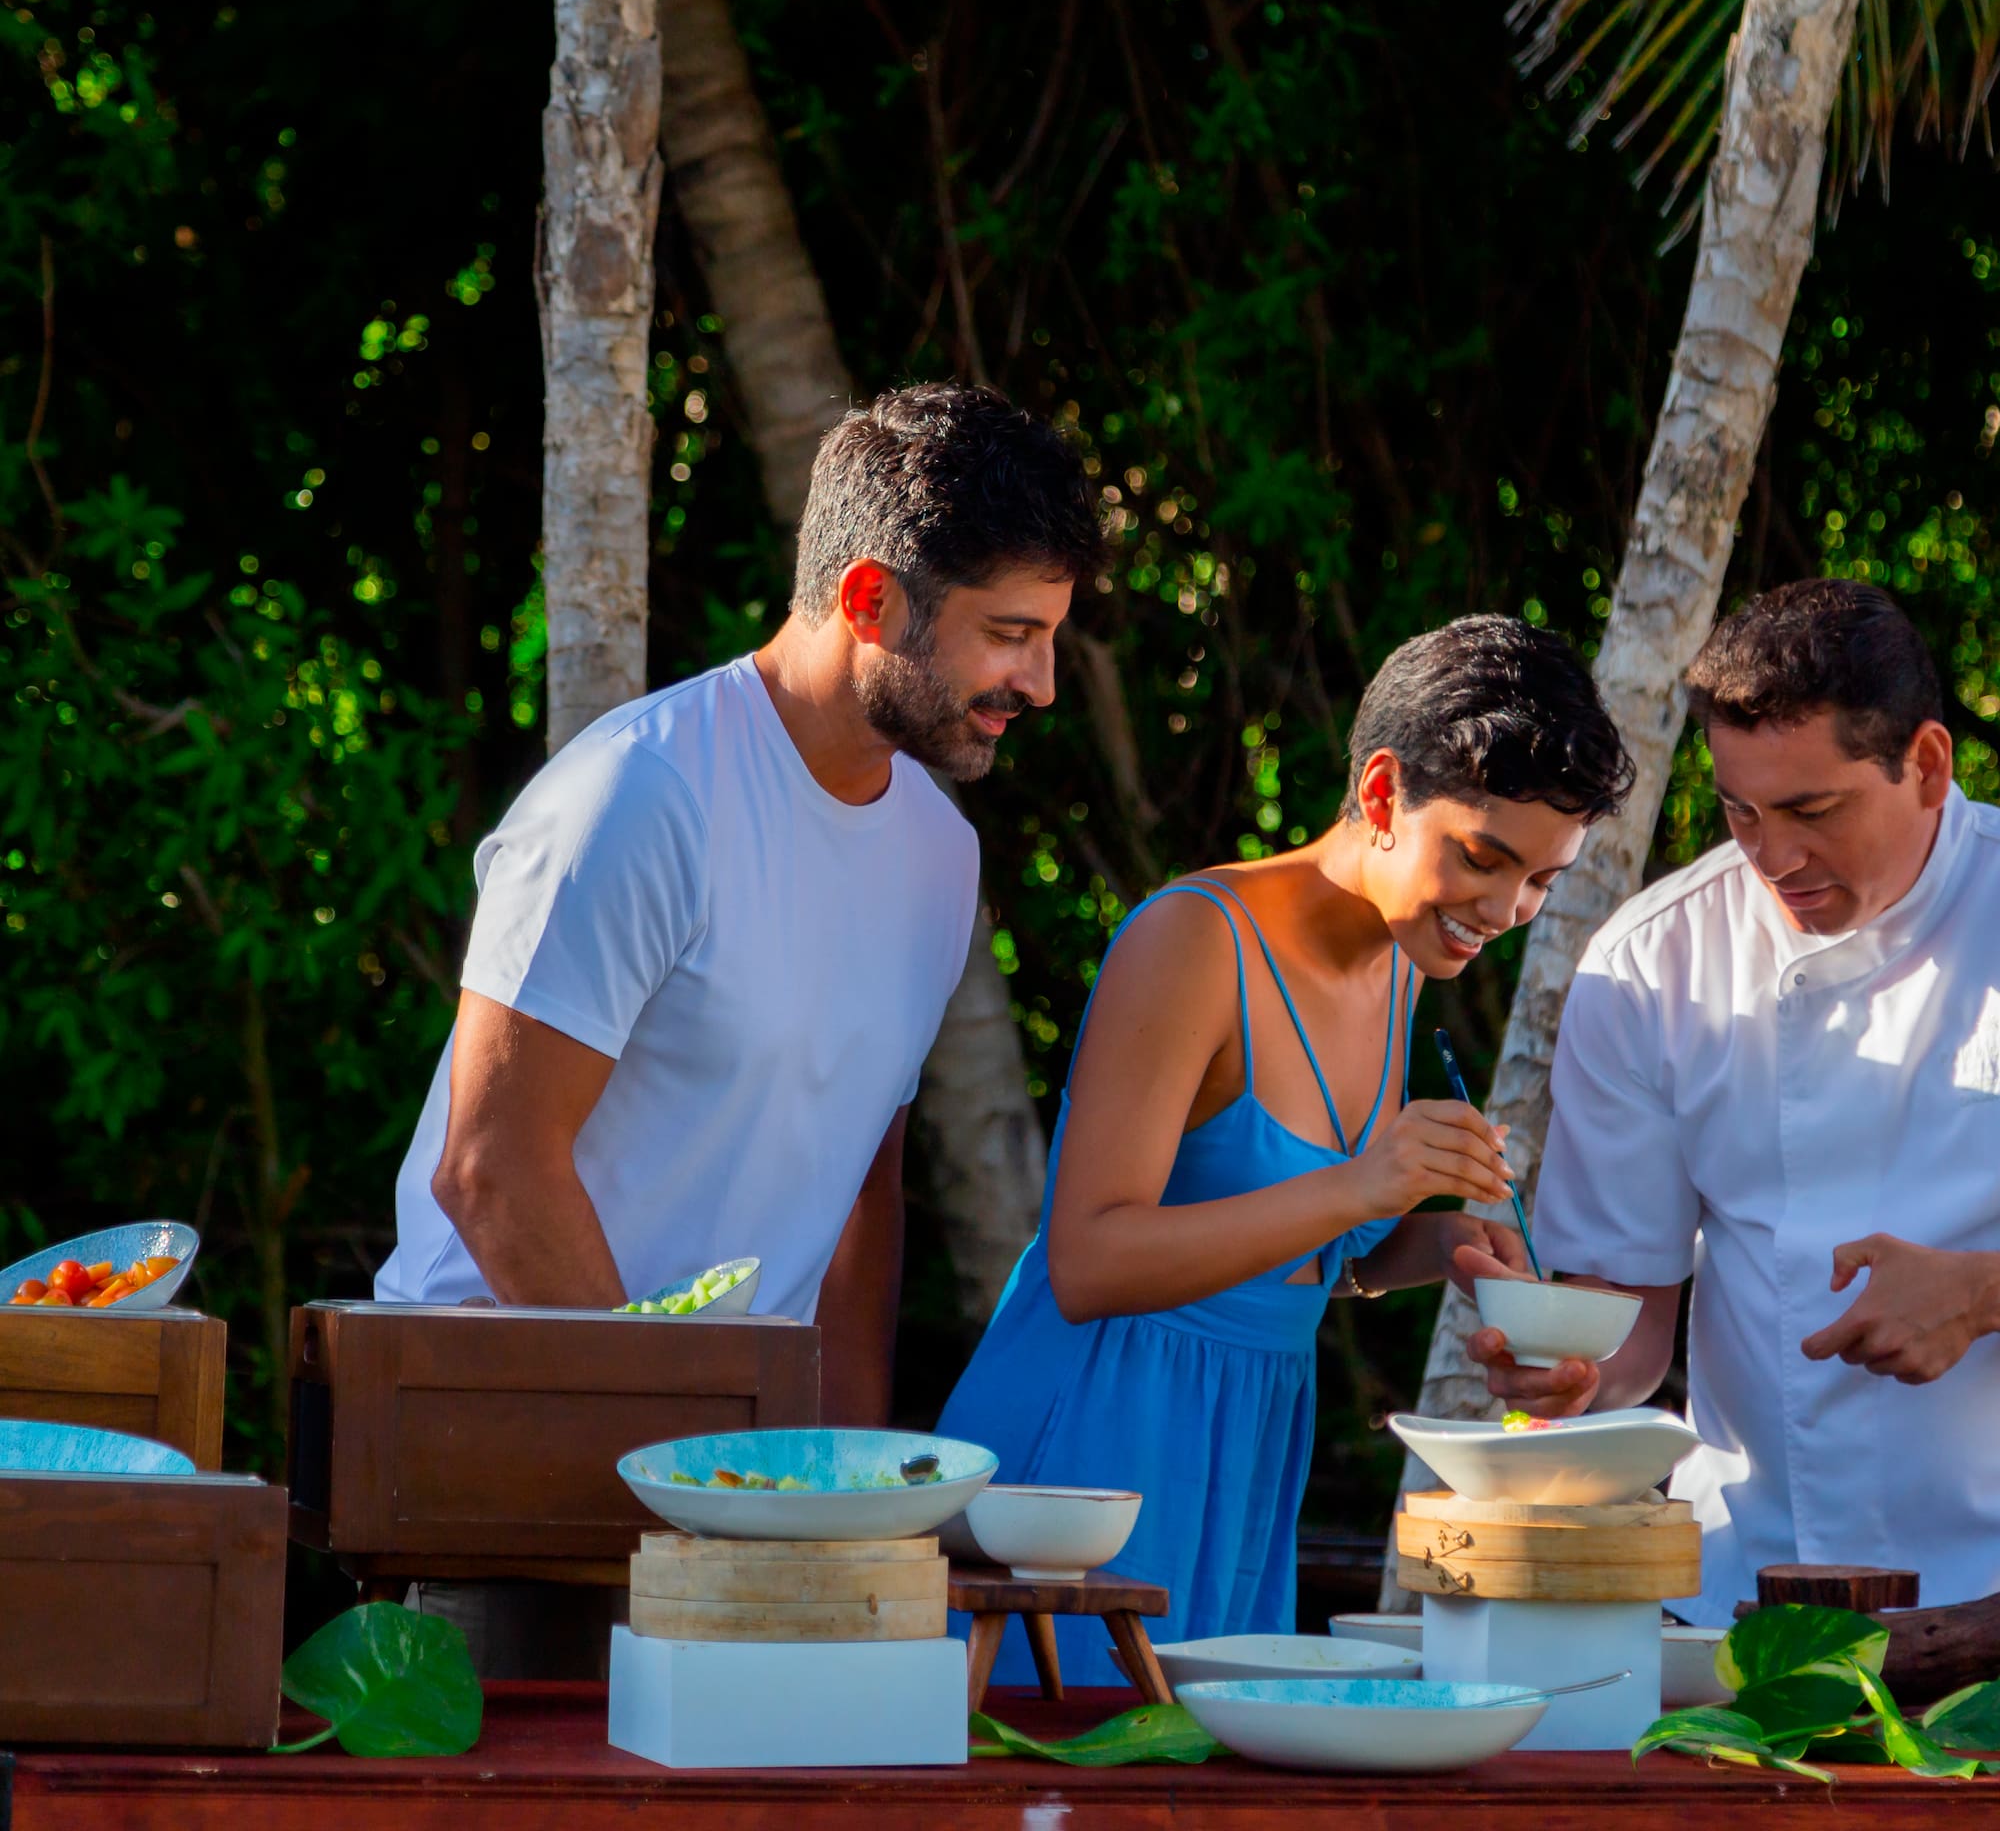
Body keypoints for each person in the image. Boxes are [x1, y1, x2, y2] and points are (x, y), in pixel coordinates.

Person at [372, 382, 1104, 1672]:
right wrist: (684, 1464)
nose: (1038, 682)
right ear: (870, 599)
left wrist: (846, 1501)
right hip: (504, 1464)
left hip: (744, 1488)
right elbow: (490, 1168)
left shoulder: (939, 854)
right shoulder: (637, 795)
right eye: (1007, 633)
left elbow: (856, 1194)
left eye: (1048, 636)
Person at [937, 615, 1636, 1686]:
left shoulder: (1405, 957)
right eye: (1482, 856)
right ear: (1378, 792)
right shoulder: (1192, 941)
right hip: (1090, 1453)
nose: (1504, 909)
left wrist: (1444, 1241)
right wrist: (1366, 1179)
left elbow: (1312, 1258)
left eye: (1540, 879)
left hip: (1248, 1445)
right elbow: (1086, 1261)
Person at [1468, 578, 2000, 1626]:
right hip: (1747, 1590)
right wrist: (1562, 1366)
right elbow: (1628, 1332)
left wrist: (1981, 1292)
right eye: (1739, 811)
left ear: (1926, 765)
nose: (1774, 858)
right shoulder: (1648, 965)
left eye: (1813, 809)